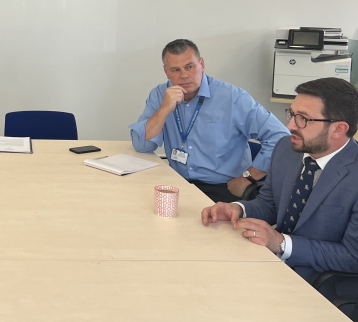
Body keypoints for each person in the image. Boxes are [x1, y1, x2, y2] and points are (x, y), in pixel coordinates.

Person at [201, 77, 358, 286]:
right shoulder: (287, 147)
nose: (290, 125)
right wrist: (238, 209)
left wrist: (282, 243)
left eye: (303, 118)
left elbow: (353, 256)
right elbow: (270, 204)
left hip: (320, 283)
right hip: (268, 262)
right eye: (292, 114)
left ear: (339, 129)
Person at [129, 39, 288, 202]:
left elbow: (281, 137)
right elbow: (142, 145)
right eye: (175, 70)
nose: (184, 75)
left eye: (189, 67)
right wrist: (164, 109)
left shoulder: (232, 97)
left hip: (223, 188)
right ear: (166, 72)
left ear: (202, 64)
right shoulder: (159, 94)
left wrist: (248, 178)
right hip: (177, 183)